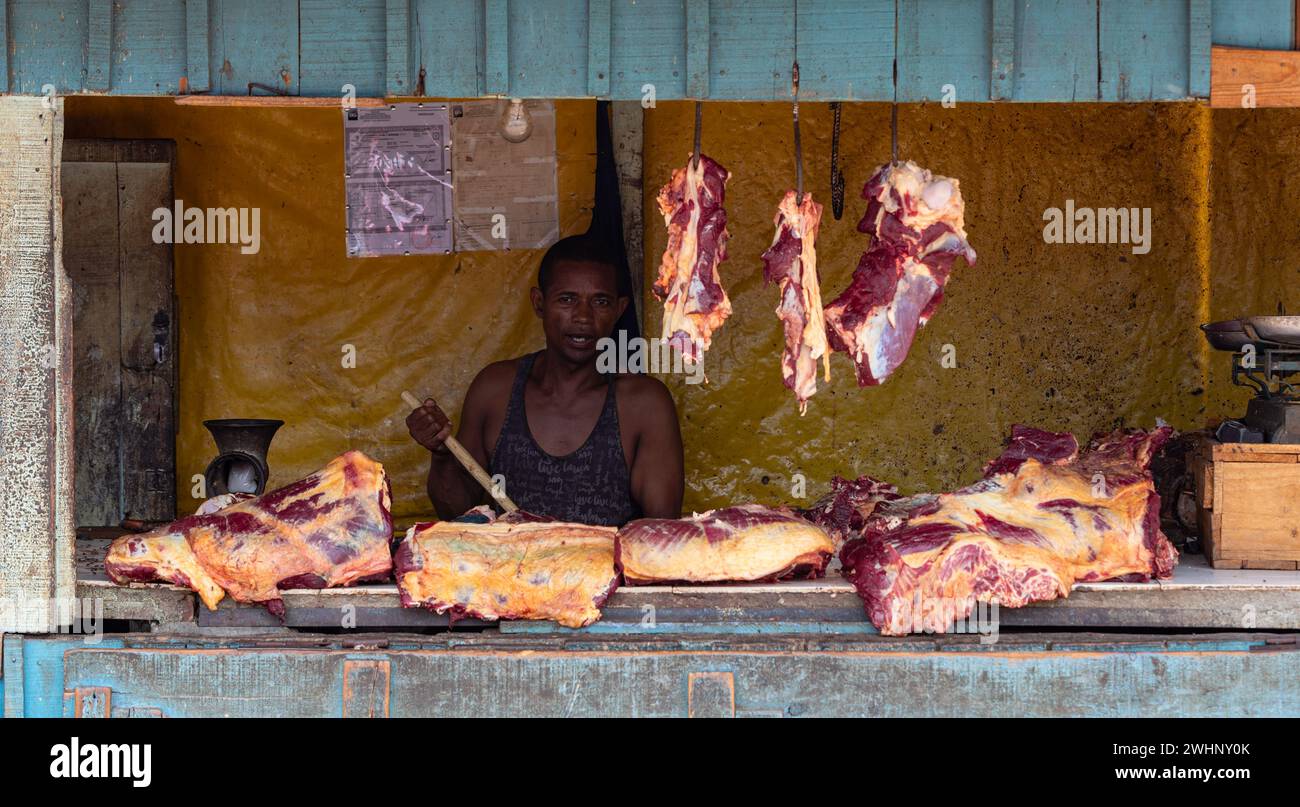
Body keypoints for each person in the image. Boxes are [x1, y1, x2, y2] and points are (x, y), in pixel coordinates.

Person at [406, 235, 684, 526]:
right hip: (503, 571)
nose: (583, 317)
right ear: (539, 303)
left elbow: (661, 537)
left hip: (606, 571)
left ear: (619, 309)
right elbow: (455, 514)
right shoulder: (495, 390)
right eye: (567, 299)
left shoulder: (645, 406)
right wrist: (441, 455)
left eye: (600, 302)